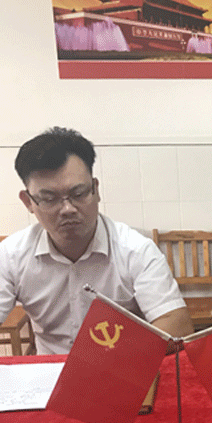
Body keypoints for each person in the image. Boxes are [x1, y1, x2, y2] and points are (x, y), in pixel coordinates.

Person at [0, 127, 194, 356]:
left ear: (96, 189)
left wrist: (100, 366)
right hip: (51, 370)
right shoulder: (11, 255)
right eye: (49, 198)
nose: (67, 209)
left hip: (120, 365)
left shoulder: (135, 250)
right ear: (28, 202)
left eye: (78, 193)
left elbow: (176, 327)